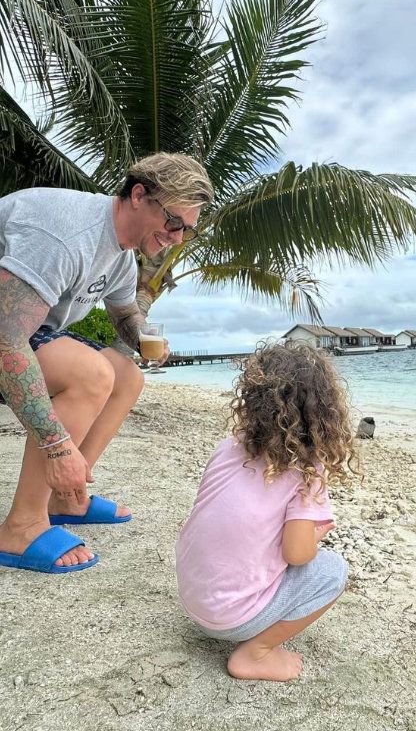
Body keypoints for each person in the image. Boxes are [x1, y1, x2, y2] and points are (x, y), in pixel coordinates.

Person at [0, 153, 213, 573]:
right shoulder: (64, 234)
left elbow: (125, 314)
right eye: (173, 222)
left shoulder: (118, 253)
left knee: (126, 375)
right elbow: (6, 339)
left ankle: (66, 497)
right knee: (91, 373)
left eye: (187, 229)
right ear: (139, 195)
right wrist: (56, 447)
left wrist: (144, 337)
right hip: (5, 331)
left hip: (19, 329)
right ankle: (22, 525)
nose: (177, 237)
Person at [175, 342, 359, 681]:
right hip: (229, 619)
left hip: (192, 596)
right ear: (326, 413)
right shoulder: (307, 471)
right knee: (332, 569)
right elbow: (298, 554)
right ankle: (255, 653)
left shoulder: (229, 446)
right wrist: (314, 535)